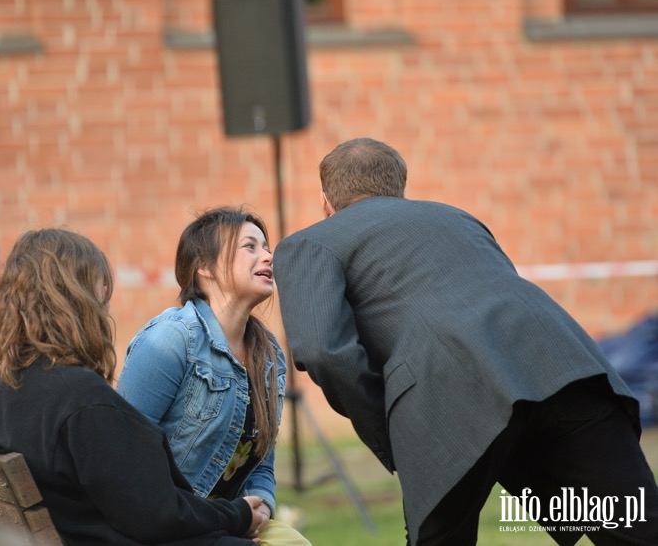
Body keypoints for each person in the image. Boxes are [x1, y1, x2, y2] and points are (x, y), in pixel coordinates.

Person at [272, 137, 658, 546]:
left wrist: (389, 431)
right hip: (564, 364)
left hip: (447, 393)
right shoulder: (457, 217)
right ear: (400, 188)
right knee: (639, 530)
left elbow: (321, 350)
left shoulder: (309, 243)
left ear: (325, 202)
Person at [0, 228, 266, 546]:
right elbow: (157, 515)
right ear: (77, 298)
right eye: (100, 294)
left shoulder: (14, 382)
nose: (105, 307)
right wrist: (236, 515)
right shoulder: (82, 399)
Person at [117, 206, 309, 545]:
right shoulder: (171, 340)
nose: (267, 256)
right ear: (204, 267)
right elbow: (123, 453)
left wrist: (261, 507)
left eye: (266, 246)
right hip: (167, 525)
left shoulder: (269, 355)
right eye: (250, 247)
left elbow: (261, 462)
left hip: (230, 520)